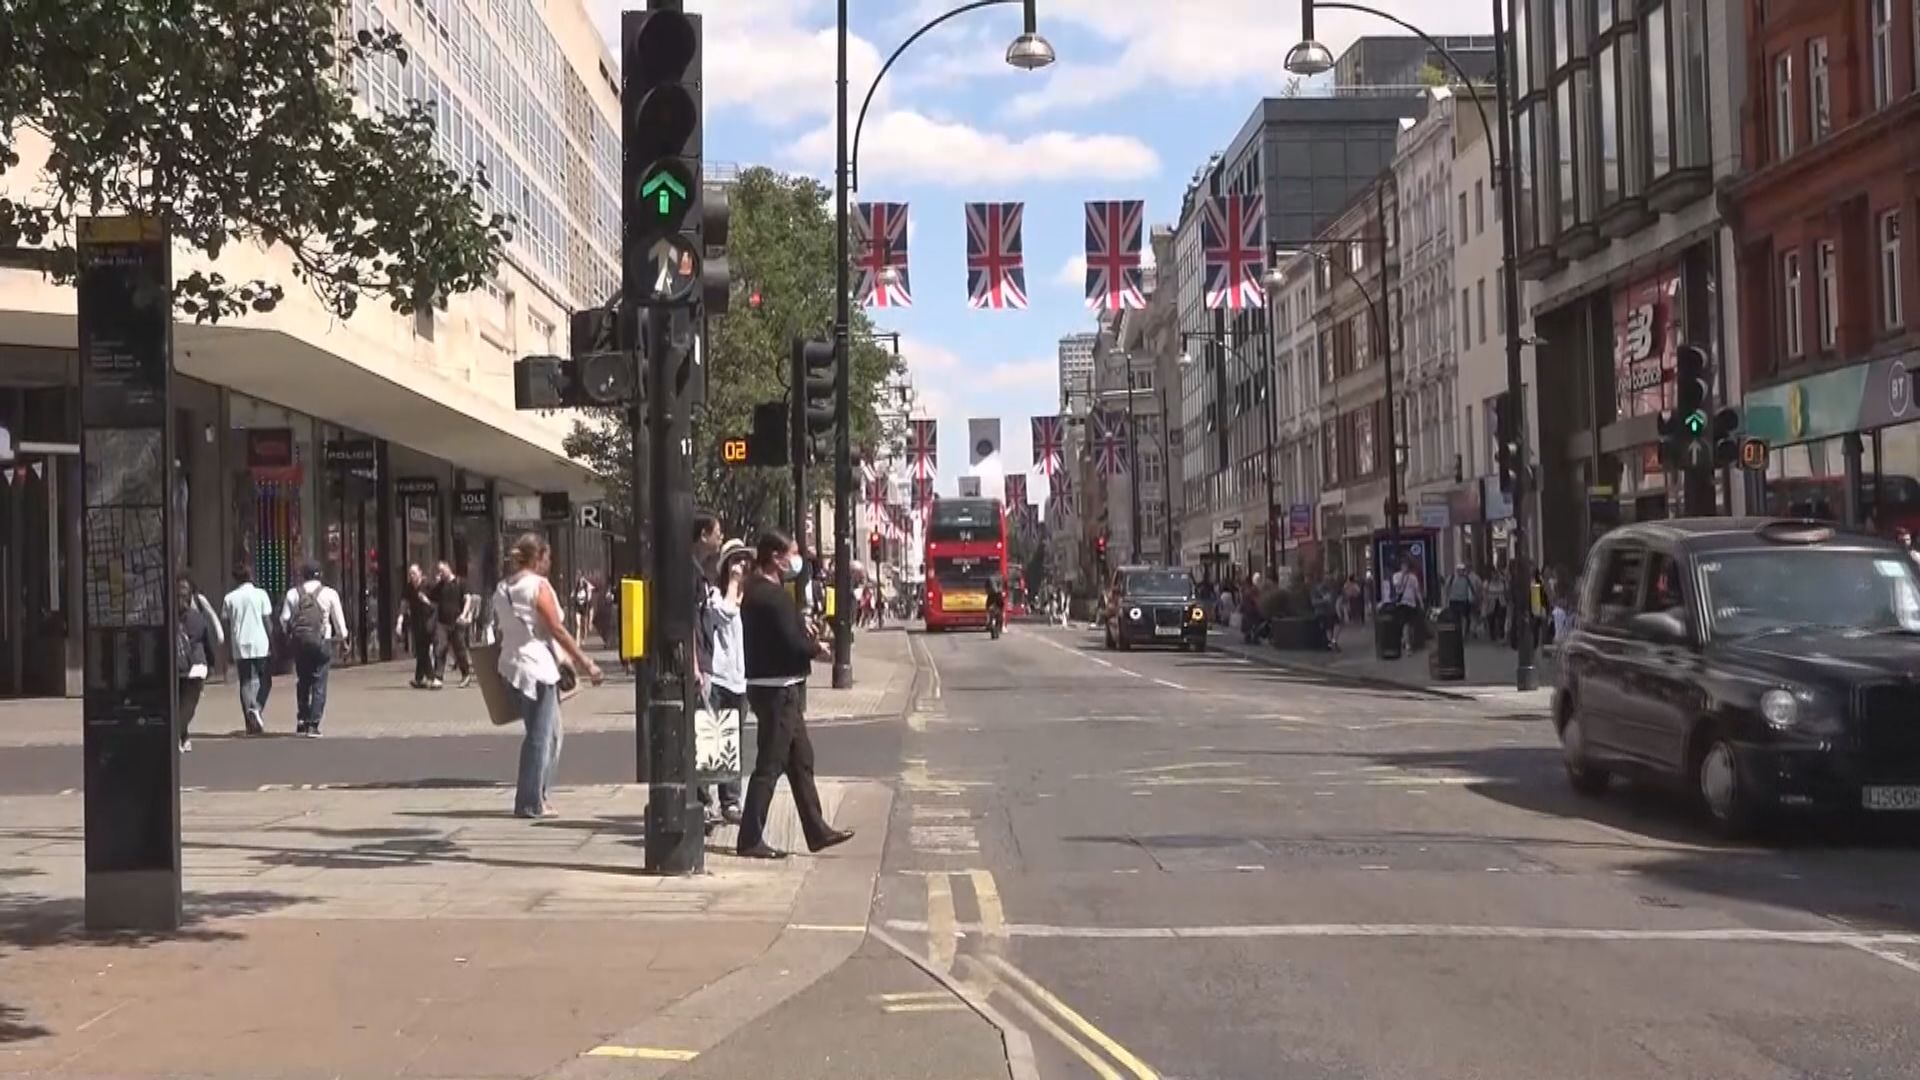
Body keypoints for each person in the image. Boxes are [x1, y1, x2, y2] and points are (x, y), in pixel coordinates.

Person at [738, 529, 854, 860]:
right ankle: (749, 838)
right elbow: (791, 642)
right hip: (778, 690)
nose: (796, 560)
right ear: (775, 557)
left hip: (776, 686)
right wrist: (816, 648)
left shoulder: (759, 591)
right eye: (792, 553)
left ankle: (817, 830)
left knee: (801, 759)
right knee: (770, 764)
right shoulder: (771, 596)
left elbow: (783, 635)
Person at [493, 533, 603, 819]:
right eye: (548, 557)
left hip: (510, 666)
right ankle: (530, 801)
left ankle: (539, 795)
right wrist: (586, 662)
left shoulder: (502, 589)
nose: (550, 562)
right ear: (538, 557)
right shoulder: (538, 586)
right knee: (541, 736)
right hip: (536, 669)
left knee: (550, 733)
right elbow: (557, 630)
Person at [698, 539, 751, 827]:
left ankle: (731, 801)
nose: (741, 565)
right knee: (713, 741)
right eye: (736, 559)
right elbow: (722, 614)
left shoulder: (748, 598)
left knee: (733, 744)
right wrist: (732, 583)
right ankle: (705, 803)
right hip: (718, 676)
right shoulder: (716, 595)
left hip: (739, 679)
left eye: (744, 560)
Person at [281, 560, 348, 737]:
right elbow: (340, 625)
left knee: (303, 680)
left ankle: (302, 720)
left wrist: (291, 635)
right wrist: (342, 639)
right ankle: (313, 724)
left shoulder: (293, 594)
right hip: (322, 642)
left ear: (303, 575)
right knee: (319, 682)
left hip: (300, 643)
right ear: (321, 575)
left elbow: (284, 620)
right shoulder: (330, 594)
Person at [222, 561, 275, 735]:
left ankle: (250, 721)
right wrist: (273, 640)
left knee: (245, 681)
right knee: (265, 680)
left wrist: (227, 648)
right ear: (251, 576)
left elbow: (226, 625)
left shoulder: (229, 598)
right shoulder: (261, 594)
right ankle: (256, 708)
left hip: (239, 642)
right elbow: (267, 621)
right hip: (260, 642)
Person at [175, 576, 219, 752]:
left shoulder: (169, 618)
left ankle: (182, 735)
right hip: (196, 666)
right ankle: (180, 735)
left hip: (178, 666)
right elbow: (208, 641)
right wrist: (212, 663)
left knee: (179, 704)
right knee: (188, 706)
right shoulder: (198, 618)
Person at [431, 560, 473, 688]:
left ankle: (466, 674)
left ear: (448, 568)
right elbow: (432, 600)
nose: (441, 573)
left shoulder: (460, 582)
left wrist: (464, 614)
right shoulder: (440, 586)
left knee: (459, 649)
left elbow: (468, 599)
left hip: (457, 621)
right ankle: (438, 677)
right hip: (442, 622)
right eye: (439, 571)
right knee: (440, 647)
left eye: (442, 570)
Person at [403, 564, 438, 689]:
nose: (412, 576)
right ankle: (419, 678)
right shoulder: (409, 587)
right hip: (416, 621)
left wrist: (426, 601)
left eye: (414, 573)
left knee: (422, 650)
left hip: (428, 621)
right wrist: (400, 619)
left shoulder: (428, 586)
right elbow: (404, 602)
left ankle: (432, 677)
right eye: (410, 574)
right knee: (420, 649)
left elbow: (436, 604)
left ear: (420, 573)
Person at [1443, 562, 1477, 630]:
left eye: (1463, 570)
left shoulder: (1467, 578)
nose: (1462, 571)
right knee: (1455, 618)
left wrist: (1473, 597)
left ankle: (1463, 631)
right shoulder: (1452, 578)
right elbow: (1446, 589)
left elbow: (1472, 588)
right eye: (1460, 570)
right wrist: (1446, 600)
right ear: (1457, 570)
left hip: (1463, 601)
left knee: (1464, 617)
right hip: (1454, 601)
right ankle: (1457, 631)